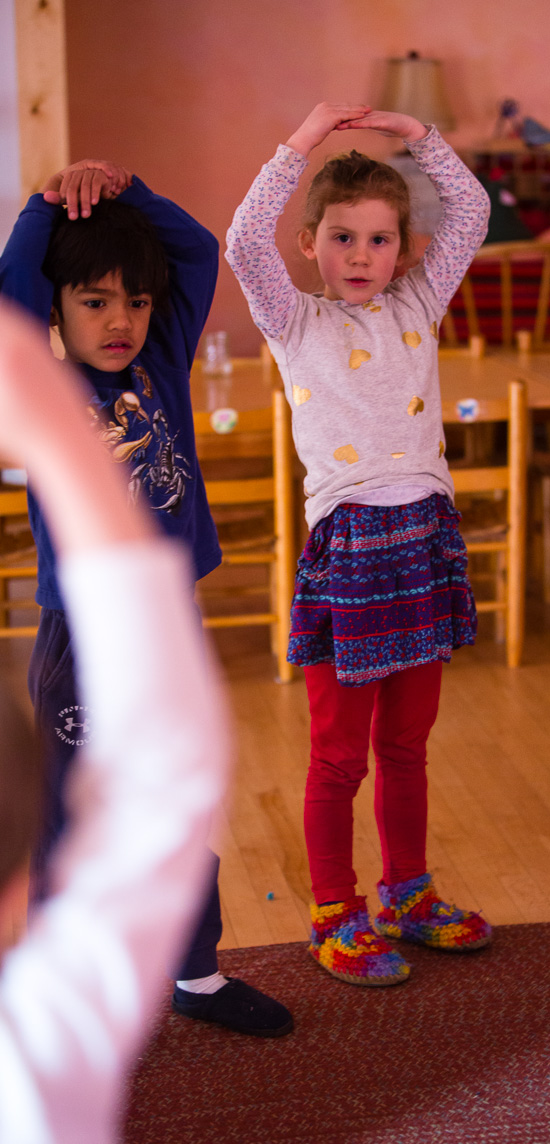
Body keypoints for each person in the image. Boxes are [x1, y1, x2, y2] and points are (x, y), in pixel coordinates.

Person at [0, 159, 292, 1036]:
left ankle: (194, 975)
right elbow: (11, 294)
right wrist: (47, 204)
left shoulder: (161, 360)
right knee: (68, 827)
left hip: (166, 634)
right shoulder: (38, 390)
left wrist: (125, 188)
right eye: (94, 301)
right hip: (83, 643)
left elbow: (195, 252)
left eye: (133, 300)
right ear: (57, 309)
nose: (120, 320)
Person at [226, 102, 493, 985]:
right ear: (309, 243)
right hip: (351, 553)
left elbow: (475, 211)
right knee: (339, 753)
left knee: (408, 745)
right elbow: (240, 240)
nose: (360, 257)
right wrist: (299, 141)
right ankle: (335, 912)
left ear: (405, 252)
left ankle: (407, 895)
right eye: (342, 238)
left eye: (380, 240)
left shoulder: (420, 296)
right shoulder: (292, 321)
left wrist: (418, 134)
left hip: (423, 539)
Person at [0, 299, 229, 1144]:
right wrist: (60, 441)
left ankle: (202, 974)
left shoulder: (157, 359)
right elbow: (166, 774)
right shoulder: (44, 1044)